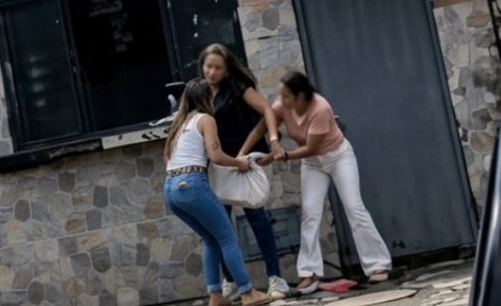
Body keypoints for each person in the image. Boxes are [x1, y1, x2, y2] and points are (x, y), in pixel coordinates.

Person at [245, 71, 391, 295]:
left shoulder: (320, 108)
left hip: (338, 157)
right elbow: (264, 124)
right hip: (312, 164)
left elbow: (311, 147)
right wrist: (259, 146)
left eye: (286, 95)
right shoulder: (284, 105)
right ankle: (309, 273)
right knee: (310, 213)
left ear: (300, 95)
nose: (282, 99)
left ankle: (377, 265)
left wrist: (279, 155)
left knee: (354, 206)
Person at [163, 79, 271, 306]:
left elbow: (167, 157)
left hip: (171, 188)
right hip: (192, 184)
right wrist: (239, 163)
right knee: (228, 238)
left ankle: (215, 296)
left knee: (210, 239)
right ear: (207, 98)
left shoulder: (178, 123)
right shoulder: (206, 119)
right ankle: (247, 292)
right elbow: (216, 156)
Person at [198, 44, 291, 301]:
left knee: (257, 217)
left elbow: (268, 110)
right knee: (220, 223)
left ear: (227, 70)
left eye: (218, 68)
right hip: (220, 163)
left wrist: (273, 141)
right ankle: (230, 281)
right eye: (208, 66)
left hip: (246, 161)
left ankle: (276, 278)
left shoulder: (239, 88)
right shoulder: (201, 94)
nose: (212, 72)